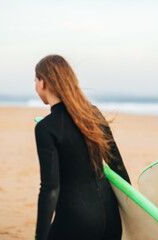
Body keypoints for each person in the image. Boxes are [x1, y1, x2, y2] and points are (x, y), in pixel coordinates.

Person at [34, 54, 130, 240]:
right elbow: (117, 166)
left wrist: (40, 236)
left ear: (43, 83)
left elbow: (50, 189)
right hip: (110, 218)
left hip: (76, 220)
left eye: (35, 80)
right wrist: (128, 214)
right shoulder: (92, 114)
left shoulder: (46, 128)